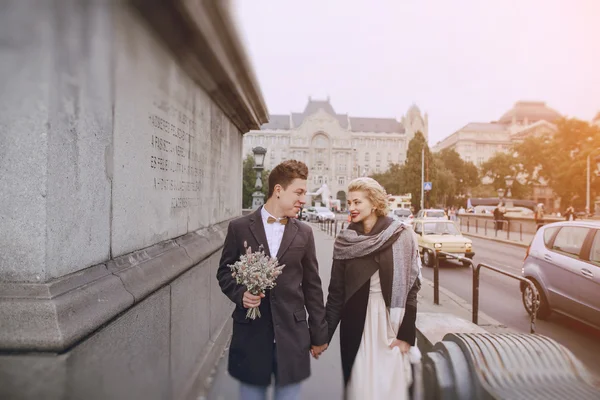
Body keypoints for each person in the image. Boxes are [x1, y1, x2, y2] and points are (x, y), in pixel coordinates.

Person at [216, 160, 329, 400]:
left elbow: (313, 287)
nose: (304, 200)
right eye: (298, 192)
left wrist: (319, 335)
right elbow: (224, 272)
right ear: (278, 190)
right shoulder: (239, 228)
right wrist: (241, 294)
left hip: (293, 337)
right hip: (251, 338)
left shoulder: (305, 233)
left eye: (305, 193)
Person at [325, 177, 421, 399]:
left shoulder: (401, 235)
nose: (351, 208)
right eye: (349, 203)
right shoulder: (345, 240)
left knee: (390, 389)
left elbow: (411, 287)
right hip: (356, 325)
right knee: (359, 389)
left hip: (391, 324)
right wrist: (323, 336)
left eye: (357, 202)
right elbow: (336, 293)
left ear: (375, 203)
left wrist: (406, 334)